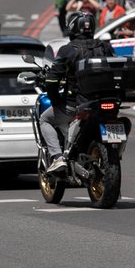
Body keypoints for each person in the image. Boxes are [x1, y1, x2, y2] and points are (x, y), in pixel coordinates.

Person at [40, 12, 115, 173]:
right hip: (105, 101)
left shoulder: (68, 50)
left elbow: (52, 80)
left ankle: (58, 157)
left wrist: (56, 100)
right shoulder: (104, 47)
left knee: (45, 120)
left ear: (73, 27)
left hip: (77, 104)